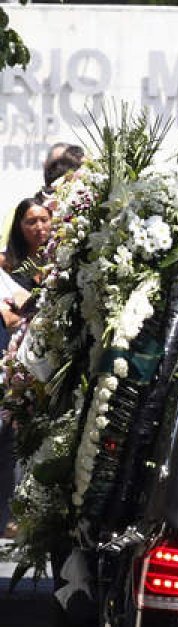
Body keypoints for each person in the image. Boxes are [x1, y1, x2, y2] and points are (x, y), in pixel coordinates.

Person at [0, 197, 50, 539]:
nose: (38, 227)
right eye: (30, 221)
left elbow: (23, 306)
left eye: (43, 220)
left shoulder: (55, 260)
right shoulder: (11, 266)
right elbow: (12, 315)